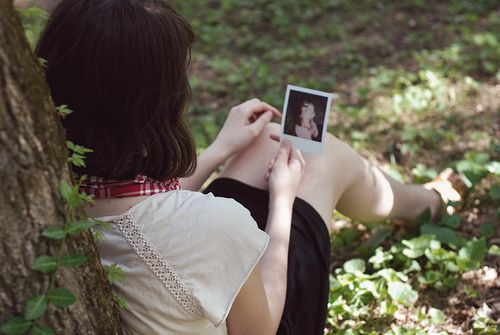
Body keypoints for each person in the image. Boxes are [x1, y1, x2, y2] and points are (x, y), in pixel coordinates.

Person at [35, 1, 460, 334]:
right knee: (320, 154)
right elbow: (263, 325)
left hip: (184, 272)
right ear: (157, 106)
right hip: (267, 316)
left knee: (266, 142)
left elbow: (134, 205)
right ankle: (431, 203)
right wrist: (283, 200)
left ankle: (423, 200)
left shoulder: (57, 191)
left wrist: (221, 149)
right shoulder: (215, 224)